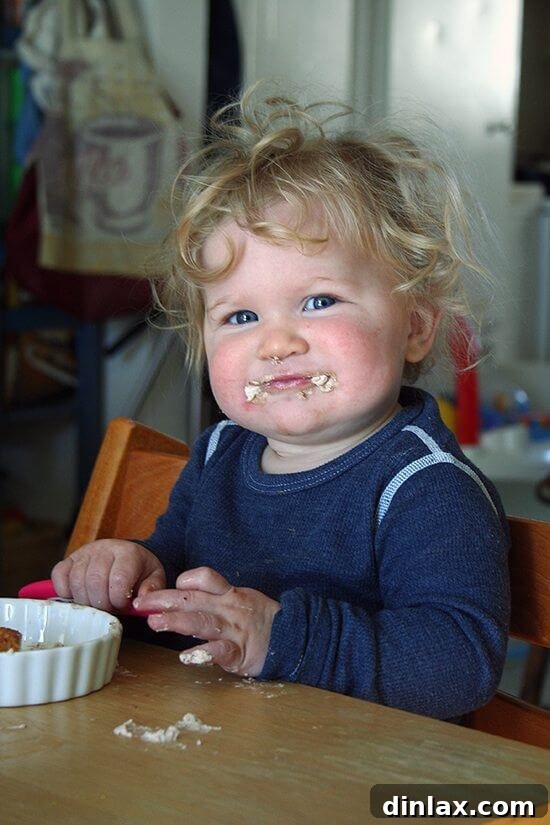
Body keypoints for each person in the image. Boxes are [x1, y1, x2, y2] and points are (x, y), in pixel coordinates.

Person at [52, 85, 510, 721]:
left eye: (318, 302)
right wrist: (136, 568)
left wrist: (285, 639)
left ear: (415, 326)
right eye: (240, 315)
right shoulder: (219, 452)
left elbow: (458, 665)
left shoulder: (422, 484)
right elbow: (179, 566)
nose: (276, 343)